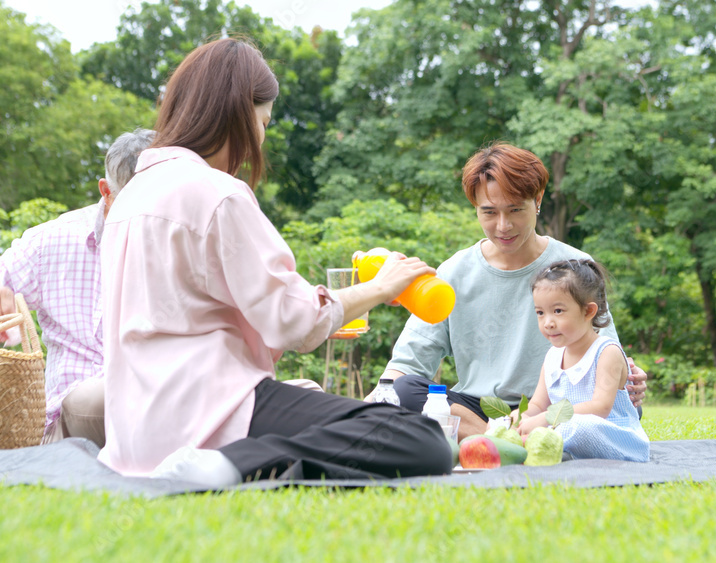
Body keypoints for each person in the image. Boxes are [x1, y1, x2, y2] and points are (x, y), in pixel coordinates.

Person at [98, 38, 452, 486]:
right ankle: (232, 463)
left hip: (135, 433)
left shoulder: (130, 198)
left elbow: (240, 316)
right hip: (208, 413)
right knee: (422, 438)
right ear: (238, 113)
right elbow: (293, 321)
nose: (259, 140)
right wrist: (380, 287)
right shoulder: (215, 193)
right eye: (262, 122)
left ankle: (233, 463)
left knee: (328, 408)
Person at [375, 143, 648, 439]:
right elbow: (407, 364)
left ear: (538, 199)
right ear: (475, 208)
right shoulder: (453, 272)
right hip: (475, 409)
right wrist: (371, 406)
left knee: (625, 406)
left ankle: (501, 440)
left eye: (515, 209)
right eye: (489, 212)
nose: (503, 226)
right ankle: (504, 440)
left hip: (554, 405)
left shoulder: (575, 266)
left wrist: (627, 376)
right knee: (403, 390)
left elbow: (604, 350)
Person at [0, 128, 156, 448]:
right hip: (75, 416)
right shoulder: (54, 241)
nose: (148, 220)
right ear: (106, 193)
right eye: (135, 207)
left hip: (157, 403)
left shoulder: (181, 242)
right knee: (98, 398)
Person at [518, 259, 649, 462]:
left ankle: (551, 444)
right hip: (565, 429)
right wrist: (520, 418)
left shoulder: (606, 351)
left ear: (588, 311)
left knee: (579, 426)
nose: (548, 323)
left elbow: (600, 407)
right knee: (504, 424)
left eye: (558, 311)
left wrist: (544, 419)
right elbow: (537, 404)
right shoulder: (552, 356)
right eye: (540, 313)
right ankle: (553, 447)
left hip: (613, 437)